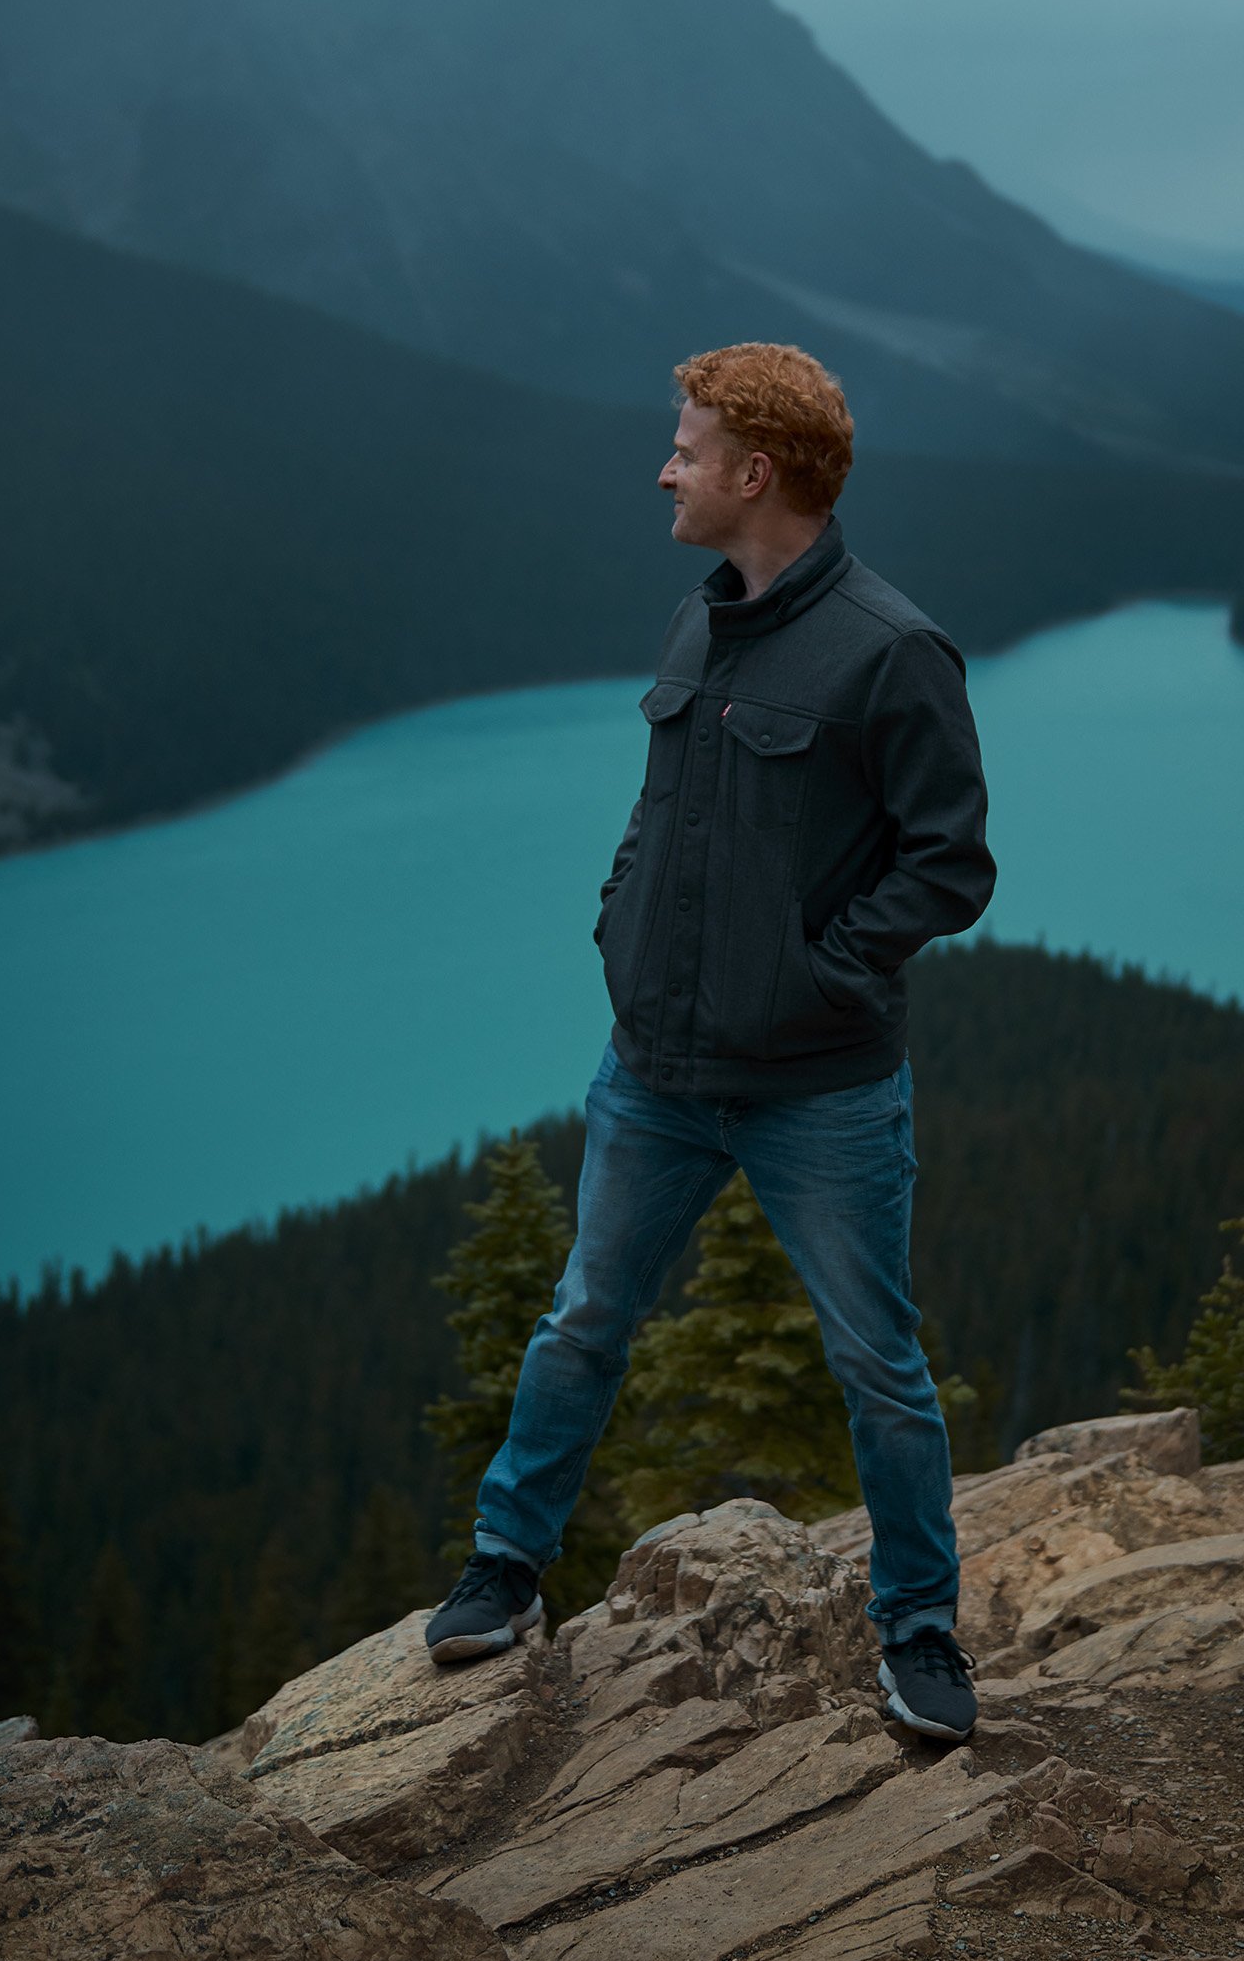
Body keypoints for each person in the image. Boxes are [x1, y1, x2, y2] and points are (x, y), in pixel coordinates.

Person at [422, 341, 997, 1738]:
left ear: (757, 472)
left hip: (820, 1091)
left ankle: (919, 1634)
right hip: (657, 1072)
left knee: (879, 1365)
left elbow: (950, 863)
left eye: (684, 446)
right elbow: (658, 811)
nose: (662, 466)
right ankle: (506, 1567)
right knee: (583, 1318)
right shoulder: (699, 622)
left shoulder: (893, 648)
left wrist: (817, 975)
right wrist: (622, 921)